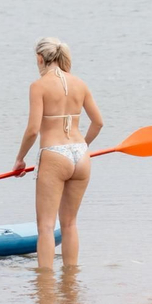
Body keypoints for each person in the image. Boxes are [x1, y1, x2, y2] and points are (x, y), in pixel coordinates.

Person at [12, 38, 103, 269]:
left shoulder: (38, 86)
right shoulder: (80, 84)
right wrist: (82, 145)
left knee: (45, 226)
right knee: (70, 223)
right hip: (81, 156)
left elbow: (33, 130)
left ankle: (45, 284)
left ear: (40, 59)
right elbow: (98, 122)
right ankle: (70, 281)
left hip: (54, 155)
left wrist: (20, 158)